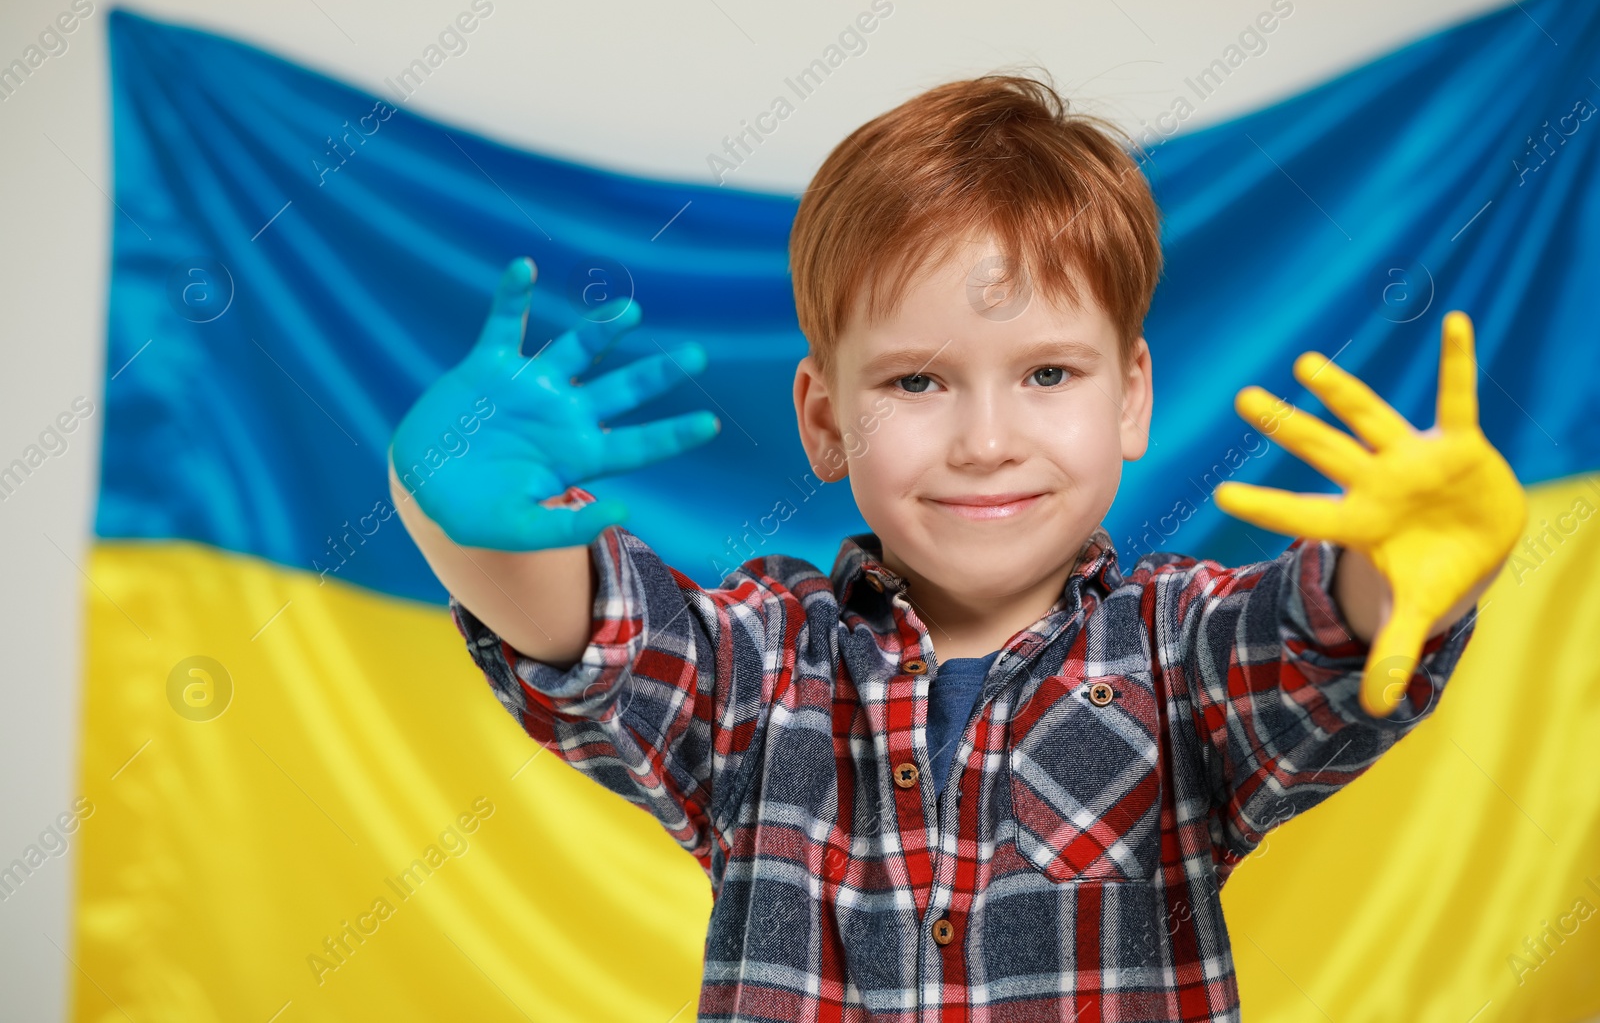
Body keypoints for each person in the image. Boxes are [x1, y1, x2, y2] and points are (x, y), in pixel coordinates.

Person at [388, 74, 1525, 1021]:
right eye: (916, 380)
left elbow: (1309, 639)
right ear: (826, 419)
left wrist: (1406, 562)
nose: (986, 441)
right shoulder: (760, 673)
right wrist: (441, 496)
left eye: (1046, 374)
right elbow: (586, 635)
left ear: (1129, 397)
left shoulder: (1179, 656)